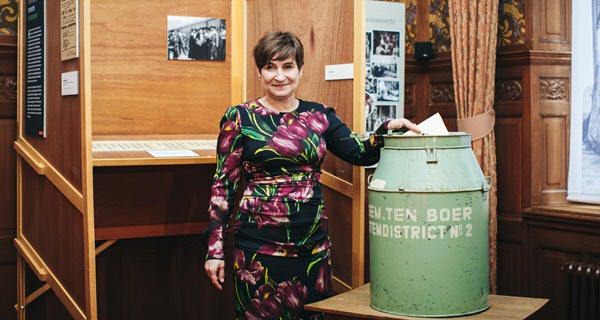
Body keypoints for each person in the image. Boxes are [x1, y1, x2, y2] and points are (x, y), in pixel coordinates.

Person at [204, 31, 419, 319]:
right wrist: (214, 250)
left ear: (300, 70)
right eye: (270, 67)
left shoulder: (319, 116)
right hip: (258, 246)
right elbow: (223, 187)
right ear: (259, 72)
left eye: (288, 66)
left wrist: (387, 128)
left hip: (312, 244)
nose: (279, 76)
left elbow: (362, 153)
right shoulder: (240, 117)